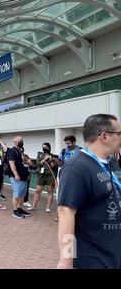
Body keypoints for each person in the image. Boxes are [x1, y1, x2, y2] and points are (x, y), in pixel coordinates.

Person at [57, 114, 121, 269]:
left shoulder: (112, 164)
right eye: (119, 134)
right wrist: (66, 261)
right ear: (104, 136)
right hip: (92, 259)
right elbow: (66, 213)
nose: (120, 137)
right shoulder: (76, 168)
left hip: (113, 253)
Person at [28, 143, 61, 213]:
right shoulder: (40, 155)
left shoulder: (54, 156)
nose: (44, 148)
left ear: (49, 148)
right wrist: (44, 159)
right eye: (43, 147)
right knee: (37, 191)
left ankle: (48, 207)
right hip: (42, 175)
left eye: (46, 147)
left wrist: (51, 159)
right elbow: (38, 164)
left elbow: (54, 167)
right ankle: (33, 206)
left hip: (50, 176)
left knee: (50, 191)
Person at [8, 136, 34, 219]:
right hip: (17, 177)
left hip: (24, 177)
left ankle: (20, 208)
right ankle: (15, 211)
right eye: (20, 141)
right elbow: (11, 163)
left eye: (22, 140)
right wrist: (16, 174)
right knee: (17, 194)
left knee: (22, 194)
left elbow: (25, 163)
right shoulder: (12, 151)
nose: (22, 142)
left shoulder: (21, 151)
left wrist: (28, 173)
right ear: (15, 142)